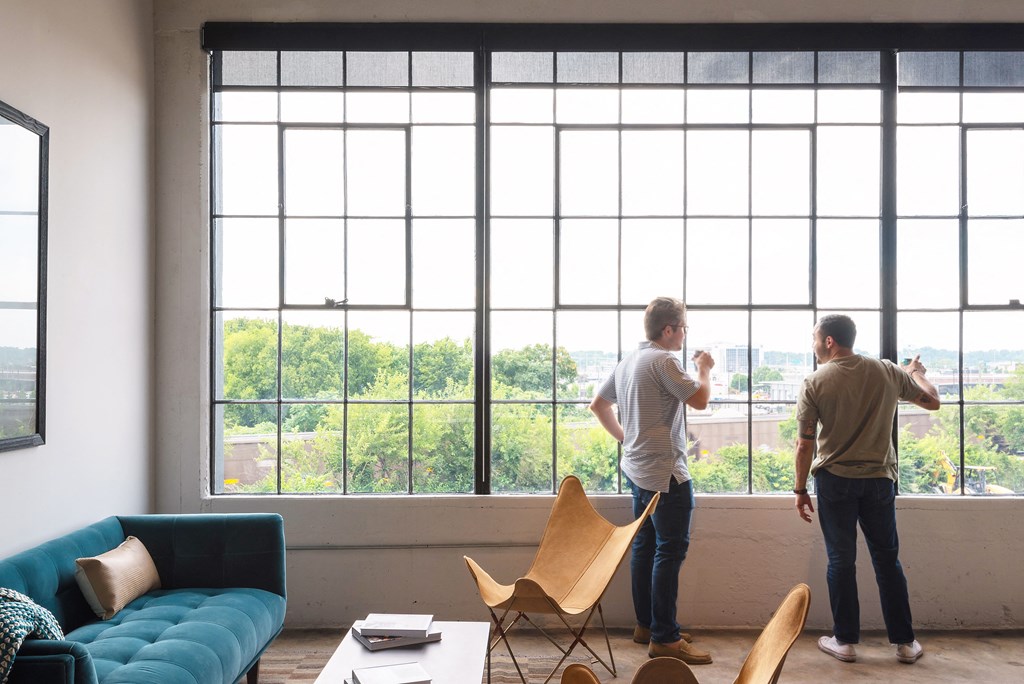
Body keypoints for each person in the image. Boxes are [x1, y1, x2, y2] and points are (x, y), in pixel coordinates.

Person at [793, 314, 940, 665]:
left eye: (815, 339)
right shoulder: (887, 371)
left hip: (834, 481)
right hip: (878, 481)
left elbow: (804, 445)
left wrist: (800, 490)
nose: (813, 345)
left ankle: (844, 641)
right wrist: (915, 371)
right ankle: (905, 643)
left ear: (829, 341)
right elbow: (932, 401)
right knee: (887, 559)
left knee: (841, 561)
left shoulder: (814, 381)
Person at [589, 297, 714, 665]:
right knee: (669, 551)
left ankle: (647, 625)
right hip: (666, 473)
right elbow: (700, 400)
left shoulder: (630, 360)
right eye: (684, 328)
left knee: (645, 547)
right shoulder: (663, 360)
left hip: (638, 470)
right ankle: (665, 639)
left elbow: (599, 405)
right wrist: (704, 368)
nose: (685, 335)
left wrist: (625, 438)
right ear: (669, 329)